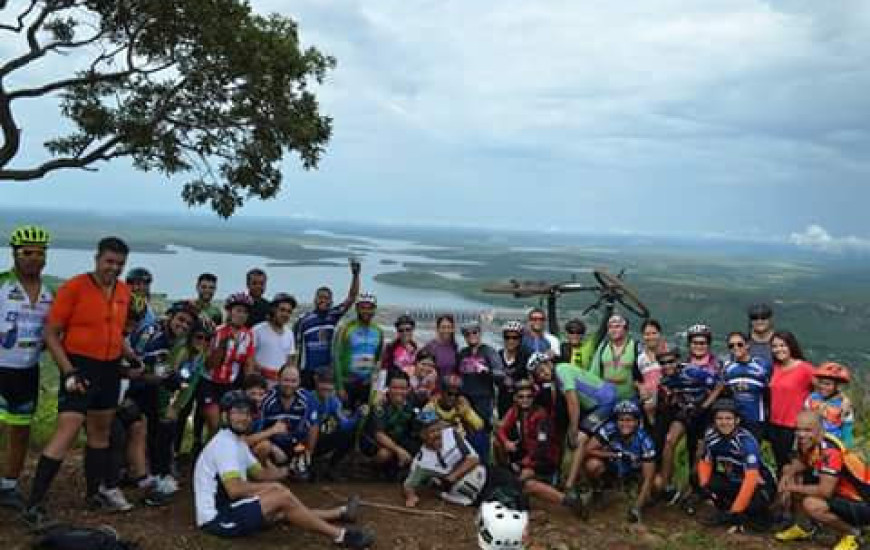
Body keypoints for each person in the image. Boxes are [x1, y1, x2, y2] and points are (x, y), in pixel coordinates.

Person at [23, 237, 137, 528]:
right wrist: (68, 371)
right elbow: (50, 333)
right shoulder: (75, 287)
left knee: (100, 433)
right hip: (79, 366)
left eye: (120, 264)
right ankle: (34, 504)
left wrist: (132, 357)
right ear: (97, 258)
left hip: (110, 369)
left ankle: (92, 494)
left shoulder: (123, 291)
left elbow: (117, 331)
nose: (114, 268)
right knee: (68, 430)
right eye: (109, 261)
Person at [193, 390, 374, 547]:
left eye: (247, 413)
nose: (244, 417)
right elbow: (235, 489)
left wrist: (290, 470)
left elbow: (261, 474)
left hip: (230, 509)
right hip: (217, 519)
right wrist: (275, 488)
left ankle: (340, 512)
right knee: (280, 496)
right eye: (237, 412)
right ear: (226, 415)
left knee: (282, 504)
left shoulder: (236, 441)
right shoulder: (225, 445)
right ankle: (340, 535)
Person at [0, 226, 54, 511]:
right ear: (15, 254)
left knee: (20, 430)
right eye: (27, 253)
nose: (35, 258)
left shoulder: (48, 293)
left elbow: (51, 333)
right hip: (0, 367)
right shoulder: (2, 284)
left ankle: (8, 485)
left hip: (28, 370)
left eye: (40, 253)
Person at [126, 300, 200, 505]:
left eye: (188, 325)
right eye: (181, 320)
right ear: (171, 317)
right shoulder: (152, 333)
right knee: (136, 431)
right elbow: (137, 364)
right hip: (130, 388)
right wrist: (164, 377)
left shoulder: (174, 340)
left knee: (160, 428)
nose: (183, 326)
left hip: (150, 389)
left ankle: (156, 475)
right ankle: (141, 478)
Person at [775, 411, 870, 550]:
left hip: (863, 500)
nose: (801, 434)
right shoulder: (809, 443)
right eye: (798, 429)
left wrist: (789, 488)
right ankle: (804, 527)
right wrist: (787, 475)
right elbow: (799, 464)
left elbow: (824, 491)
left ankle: (853, 534)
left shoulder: (830, 451)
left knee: (811, 503)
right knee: (794, 474)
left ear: (820, 430)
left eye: (807, 430)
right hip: (842, 493)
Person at [495, 381, 582, 515]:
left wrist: (523, 464)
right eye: (521, 397)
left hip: (545, 460)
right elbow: (500, 429)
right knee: (498, 444)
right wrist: (506, 442)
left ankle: (568, 501)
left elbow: (542, 448)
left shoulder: (541, 416)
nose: (525, 400)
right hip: (528, 455)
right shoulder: (515, 410)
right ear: (516, 398)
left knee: (525, 483)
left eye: (528, 396)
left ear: (533, 397)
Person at [696, 399, 776, 532]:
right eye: (719, 418)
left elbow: (751, 479)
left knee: (757, 514)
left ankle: (740, 513)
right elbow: (705, 462)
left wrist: (736, 510)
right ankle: (727, 511)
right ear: (714, 421)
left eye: (728, 418)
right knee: (699, 479)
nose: (724, 422)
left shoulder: (746, 441)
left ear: (737, 420)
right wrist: (705, 487)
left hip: (759, 484)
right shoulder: (710, 435)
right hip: (734, 479)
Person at [655, 346, 722, 504]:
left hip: (704, 414)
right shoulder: (665, 380)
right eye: (663, 363)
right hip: (686, 413)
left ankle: (694, 487)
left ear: (677, 361)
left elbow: (719, 386)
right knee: (670, 440)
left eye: (670, 361)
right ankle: (665, 484)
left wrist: (704, 406)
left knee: (699, 453)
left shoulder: (693, 371)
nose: (667, 366)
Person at [584, 400, 657, 523]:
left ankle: (638, 498)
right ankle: (597, 491)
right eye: (621, 420)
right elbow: (588, 449)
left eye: (629, 420)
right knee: (592, 465)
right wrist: (615, 454)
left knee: (656, 484)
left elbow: (648, 478)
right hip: (613, 467)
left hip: (634, 472)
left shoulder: (645, 440)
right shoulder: (609, 430)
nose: (624, 424)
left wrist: (637, 508)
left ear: (636, 422)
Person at [294, 258, 361, 389]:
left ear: (331, 301)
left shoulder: (333, 315)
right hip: (307, 372)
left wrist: (355, 275)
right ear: (315, 299)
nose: (323, 300)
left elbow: (352, 297)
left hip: (327, 372)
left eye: (327, 298)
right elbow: (294, 349)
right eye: (320, 297)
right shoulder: (303, 321)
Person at [200, 292, 256, 438]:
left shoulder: (248, 335)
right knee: (214, 424)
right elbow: (209, 365)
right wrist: (223, 345)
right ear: (229, 312)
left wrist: (250, 389)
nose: (241, 315)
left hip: (230, 384)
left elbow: (248, 364)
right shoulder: (217, 332)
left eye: (245, 312)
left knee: (229, 427)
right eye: (238, 310)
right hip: (210, 382)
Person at [557, 360, 618, 492]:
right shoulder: (559, 375)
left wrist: (573, 429)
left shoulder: (560, 370)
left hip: (604, 402)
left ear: (550, 364)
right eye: (538, 372)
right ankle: (586, 481)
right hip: (598, 403)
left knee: (579, 439)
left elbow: (573, 403)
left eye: (543, 368)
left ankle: (570, 484)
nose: (542, 373)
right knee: (583, 443)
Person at [403, 410, 486, 508]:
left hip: (482, 474)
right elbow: (408, 485)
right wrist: (411, 497)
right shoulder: (421, 462)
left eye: (438, 429)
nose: (437, 434)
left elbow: (474, 459)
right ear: (422, 435)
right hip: (463, 492)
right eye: (432, 431)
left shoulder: (451, 434)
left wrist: (451, 477)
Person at [258, 365, 319, 479]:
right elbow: (257, 430)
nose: (289, 385)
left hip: (296, 443)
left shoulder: (307, 399)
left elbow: (313, 426)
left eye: (293, 381)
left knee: (302, 476)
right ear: (278, 379)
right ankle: (265, 470)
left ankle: (296, 465)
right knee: (262, 447)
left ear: (299, 381)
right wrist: (271, 447)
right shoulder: (266, 399)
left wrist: (308, 453)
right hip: (272, 445)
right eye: (286, 380)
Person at [767, 331, 815, 473]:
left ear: (791, 346)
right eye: (775, 346)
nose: (778, 349)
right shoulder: (774, 368)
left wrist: (842, 400)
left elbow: (826, 386)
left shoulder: (805, 368)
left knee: (794, 465)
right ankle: (782, 493)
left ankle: (794, 493)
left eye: (783, 345)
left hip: (794, 426)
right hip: (775, 425)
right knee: (780, 464)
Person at [457, 320, 503, 462]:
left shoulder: (489, 351)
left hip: (483, 398)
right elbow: (458, 375)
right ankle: (467, 461)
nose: (471, 335)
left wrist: (487, 372)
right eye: (467, 333)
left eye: (474, 332)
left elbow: (500, 375)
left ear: (480, 333)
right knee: (466, 430)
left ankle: (483, 461)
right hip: (465, 398)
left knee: (482, 430)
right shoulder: (463, 353)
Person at [361, 371, 419, 478]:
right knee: (385, 454)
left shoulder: (414, 402)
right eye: (395, 388)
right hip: (378, 442)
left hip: (401, 439)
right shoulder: (380, 405)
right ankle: (373, 468)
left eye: (403, 388)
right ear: (388, 388)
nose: (399, 392)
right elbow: (379, 434)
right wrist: (398, 450)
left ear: (408, 389)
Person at [333, 292, 384, 410]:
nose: (366, 311)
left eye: (370, 308)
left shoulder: (378, 331)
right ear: (357, 309)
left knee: (363, 418)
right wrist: (339, 386)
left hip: (366, 384)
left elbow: (377, 359)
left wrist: (375, 387)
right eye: (363, 307)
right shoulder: (345, 329)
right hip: (347, 382)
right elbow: (336, 358)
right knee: (345, 418)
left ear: (374, 310)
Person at [307, 371, 362, 479]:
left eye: (329, 384)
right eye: (323, 383)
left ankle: (332, 467)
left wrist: (358, 415)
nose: (326, 387)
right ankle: (308, 463)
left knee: (349, 434)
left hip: (320, 438)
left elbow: (344, 425)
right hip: (304, 440)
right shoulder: (307, 398)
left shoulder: (333, 401)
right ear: (317, 383)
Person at [721, 331, 769, 441]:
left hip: (756, 420)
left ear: (747, 345)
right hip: (734, 421)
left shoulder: (762, 365)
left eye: (739, 344)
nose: (735, 347)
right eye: (731, 345)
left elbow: (770, 390)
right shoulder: (727, 368)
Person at [804, 362, 854, 446]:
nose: (823, 387)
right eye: (821, 382)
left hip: (833, 444)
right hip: (812, 444)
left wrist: (847, 449)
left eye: (828, 384)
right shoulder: (811, 399)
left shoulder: (844, 405)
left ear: (836, 386)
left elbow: (847, 429)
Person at [252, 293, 298, 385]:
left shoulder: (289, 333)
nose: (285, 314)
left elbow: (290, 361)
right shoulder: (257, 330)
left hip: (280, 387)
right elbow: (249, 358)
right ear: (274, 310)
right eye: (282, 310)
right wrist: (265, 371)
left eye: (289, 311)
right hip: (259, 387)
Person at [635, 319, 666, 426]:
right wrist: (641, 388)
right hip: (647, 404)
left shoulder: (668, 355)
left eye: (654, 333)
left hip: (666, 403)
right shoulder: (640, 358)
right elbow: (636, 378)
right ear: (643, 336)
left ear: (659, 334)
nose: (650, 337)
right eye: (647, 334)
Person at [497, 320, 529, 417]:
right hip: (503, 402)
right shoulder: (498, 355)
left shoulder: (526, 356)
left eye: (515, 338)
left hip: (522, 403)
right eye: (507, 337)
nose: (511, 341)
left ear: (520, 339)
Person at [421, 313, 459, 378]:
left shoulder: (454, 346)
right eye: (443, 327)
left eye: (449, 327)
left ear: (453, 329)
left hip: (449, 386)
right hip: (434, 386)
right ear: (438, 329)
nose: (446, 330)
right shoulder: (430, 346)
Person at [381, 313, 418, 378]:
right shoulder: (391, 347)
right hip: (395, 384)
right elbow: (384, 370)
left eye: (408, 329)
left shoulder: (415, 347)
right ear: (397, 331)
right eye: (401, 330)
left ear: (412, 330)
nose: (405, 333)